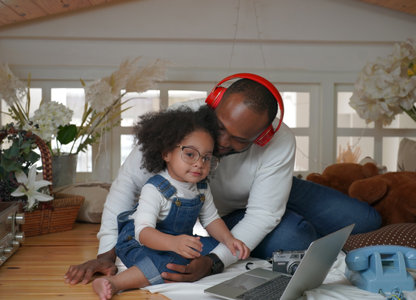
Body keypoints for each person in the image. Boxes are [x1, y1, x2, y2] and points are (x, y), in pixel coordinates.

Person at [65, 73, 381, 285]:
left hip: (264, 191)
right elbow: (127, 185)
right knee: (296, 237)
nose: (223, 142)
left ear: (263, 136)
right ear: (213, 104)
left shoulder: (280, 141)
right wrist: (107, 251)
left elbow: (263, 213)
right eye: (220, 128)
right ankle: (294, 224)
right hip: (223, 214)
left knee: (366, 218)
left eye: (239, 139)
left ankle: (292, 207)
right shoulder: (178, 124)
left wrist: (213, 263)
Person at [92, 106, 249, 299]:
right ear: (166, 153)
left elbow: (211, 219)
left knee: (218, 248)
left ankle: (184, 255)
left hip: (176, 240)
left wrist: (229, 240)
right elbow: (143, 232)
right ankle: (114, 283)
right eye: (190, 154)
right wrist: (173, 243)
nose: (199, 163)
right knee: (167, 264)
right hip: (139, 241)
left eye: (207, 158)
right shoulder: (155, 189)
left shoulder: (201, 188)